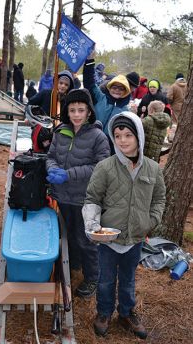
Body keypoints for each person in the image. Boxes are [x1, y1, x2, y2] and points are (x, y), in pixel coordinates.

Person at [82, 111, 166, 339]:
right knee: (106, 279)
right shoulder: (105, 167)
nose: (123, 140)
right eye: (117, 135)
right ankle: (104, 312)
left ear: (139, 136)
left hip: (136, 238)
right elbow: (92, 199)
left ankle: (127, 313)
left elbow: (159, 199)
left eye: (128, 134)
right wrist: (92, 225)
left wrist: (151, 221)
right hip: (109, 239)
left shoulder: (152, 168)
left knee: (129, 278)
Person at [46, 88, 110, 297]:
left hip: (86, 198)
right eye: (72, 110)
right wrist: (52, 169)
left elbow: (100, 167)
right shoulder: (60, 131)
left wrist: (69, 174)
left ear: (89, 112)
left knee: (86, 239)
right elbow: (50, 156)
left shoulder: (98, 137)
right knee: (68, 234)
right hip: (63, 196)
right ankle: (72, 265)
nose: (76, 115)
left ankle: (92, 277)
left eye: (81, 110)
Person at [83, 56, 131, 151]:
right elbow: (89, 83)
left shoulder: (126, 111)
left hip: (109, 148)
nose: (117, 90)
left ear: (125, 91)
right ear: (109, 88)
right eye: (114, 87)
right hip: (89, 139)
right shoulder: (100, 97)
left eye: (121, 88)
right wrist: (89, 62)